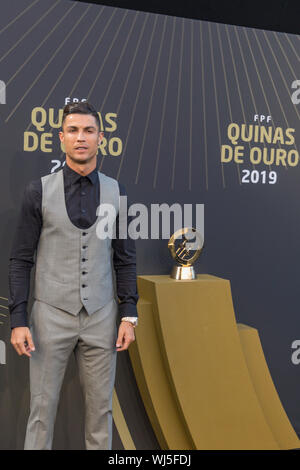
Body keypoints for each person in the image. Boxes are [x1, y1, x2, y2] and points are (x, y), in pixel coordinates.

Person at [8, 101, 139, 450]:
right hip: (49, 315)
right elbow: (21, 259)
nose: (81, 138)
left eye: (88, 130)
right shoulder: (38, 190)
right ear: (62, 138)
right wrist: (18, 319)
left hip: (101, 316)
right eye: (73, 130)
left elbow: (124, 258)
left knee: (101, 414)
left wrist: (129, 314)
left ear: (100, 138)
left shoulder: (116, 191)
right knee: (40, 412)